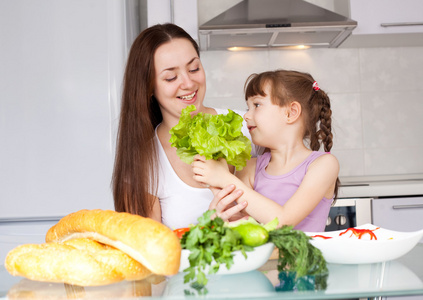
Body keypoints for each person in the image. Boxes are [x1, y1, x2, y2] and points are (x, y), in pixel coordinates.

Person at [112, 23, 262, 230]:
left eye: (194, 69)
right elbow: (152, 253)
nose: (189, 83)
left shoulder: (248, 126)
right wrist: (210, 228)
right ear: (148, 87)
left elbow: (291, 199)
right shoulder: (144, 163)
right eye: (171, 77)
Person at [191, 70, 340, 232]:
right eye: (247, 107)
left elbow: (283, 221)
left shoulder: (324, 164)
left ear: (291, 112)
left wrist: (224, 178)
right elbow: (243, 223)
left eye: (256, 105)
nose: (246, 115)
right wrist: (218, 214)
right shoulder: (249, 168)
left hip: (306, 258)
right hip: (264, 258)